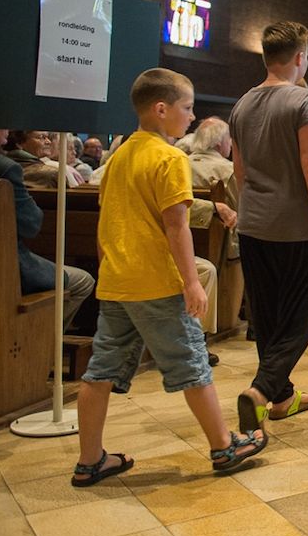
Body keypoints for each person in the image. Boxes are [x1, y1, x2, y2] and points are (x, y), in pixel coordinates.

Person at [70, 68, 267, 488]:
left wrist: (109, 269)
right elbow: (176, 226)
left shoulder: (118, 156)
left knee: (100, 370)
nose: (192, 117)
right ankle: (224, 446)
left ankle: (89, 460)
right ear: (161, 109)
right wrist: (192, 282)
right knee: (192, 362)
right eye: (187, 107)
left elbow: (107, 222)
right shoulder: (170, 158)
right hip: (157, 282)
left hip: (117, 280)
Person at [230, 21, 308, 433]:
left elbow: (240, 171)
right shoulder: (305, 100)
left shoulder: (241, 104)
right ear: (300, 57)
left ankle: (281, 397)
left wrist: (250, 211)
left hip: (253, 224)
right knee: (299, 317)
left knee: (267, 316)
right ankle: (261, 391)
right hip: (296, 228)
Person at [0, 128, 95, 330]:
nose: (8, 130)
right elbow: (31, 225)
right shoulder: (1, 167)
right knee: (83, 281)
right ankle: (36, 345)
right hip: (3, 266)